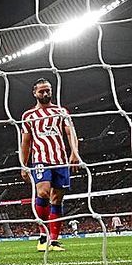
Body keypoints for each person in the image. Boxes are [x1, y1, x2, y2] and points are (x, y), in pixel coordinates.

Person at [20, 78, 81, 252]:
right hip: (40, 159)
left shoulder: (61, 111)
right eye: (41, 91)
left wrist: (74, 153)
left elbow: (71, 133)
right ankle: (43, 235)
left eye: (48, 90)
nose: (45, 93)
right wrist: (24, 164)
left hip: (60, 160)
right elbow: (26, 142)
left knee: (57, 199)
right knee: (43, 192)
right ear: (34, 93)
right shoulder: (28, 116)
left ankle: (54, 241)